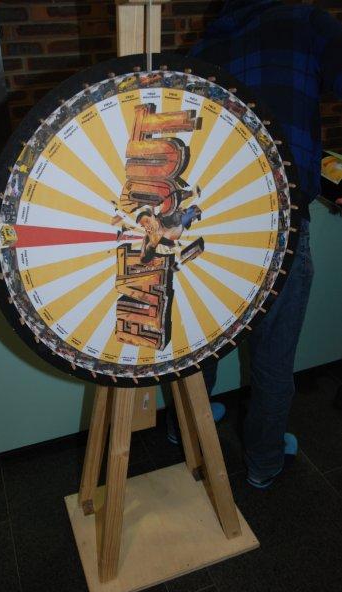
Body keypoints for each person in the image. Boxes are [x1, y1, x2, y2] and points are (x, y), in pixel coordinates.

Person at [167, 0, 342, 488]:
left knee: (204, 340)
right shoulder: (307, 22)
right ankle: (264, 461)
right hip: (279, 219)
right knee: (273, 355)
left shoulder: (203, 48)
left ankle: (187, 431)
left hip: (209, 221)